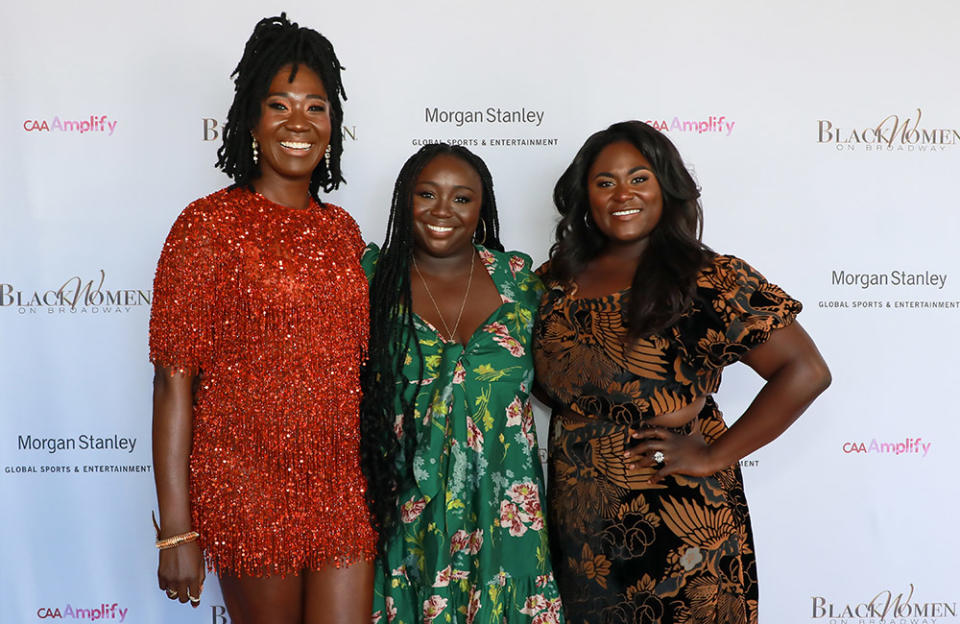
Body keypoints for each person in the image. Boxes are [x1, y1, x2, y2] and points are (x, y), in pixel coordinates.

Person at [533, 121, 831, 624]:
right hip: (580, 525)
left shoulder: (707, 277)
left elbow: (805, 370)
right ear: (585, 196)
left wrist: (715, 454)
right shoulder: (552, 282)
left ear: (666, 187)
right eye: (605, 182)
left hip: (680, 525)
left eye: (639, 178)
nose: (622, 194)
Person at [149, 14, 375, 624]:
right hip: (247, 488)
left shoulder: (344, 233)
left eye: (316, 107)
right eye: (279, 105)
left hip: (339, 491)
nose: (299, 123)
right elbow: (173, 382)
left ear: (334, 123)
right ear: (251, 119)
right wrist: (176, 531)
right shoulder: (206, 228)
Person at [360, 144, 564, 624]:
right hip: (403, 520)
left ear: (482, 207)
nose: (442, 211)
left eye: (461, 198)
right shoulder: (370, 280)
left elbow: (573, 377)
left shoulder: (520, 285)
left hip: (506, 524)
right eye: (426, 194)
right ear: (402, 200)